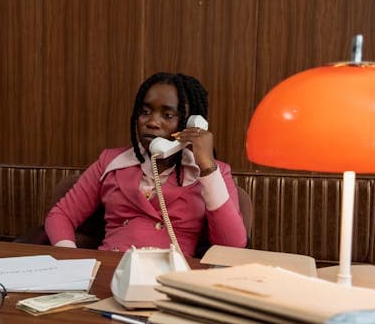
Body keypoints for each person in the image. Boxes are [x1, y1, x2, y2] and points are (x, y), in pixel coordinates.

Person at [44, 72, 247, 256]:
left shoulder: (213, 171)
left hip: (172, 281)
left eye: (167, 115)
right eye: (145, 111)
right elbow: (60, 215)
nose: (152, 122)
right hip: (111, 272)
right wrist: (70, 261)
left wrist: (206, 167)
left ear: (190, 124)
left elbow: (232, 245)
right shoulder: (111, 162)